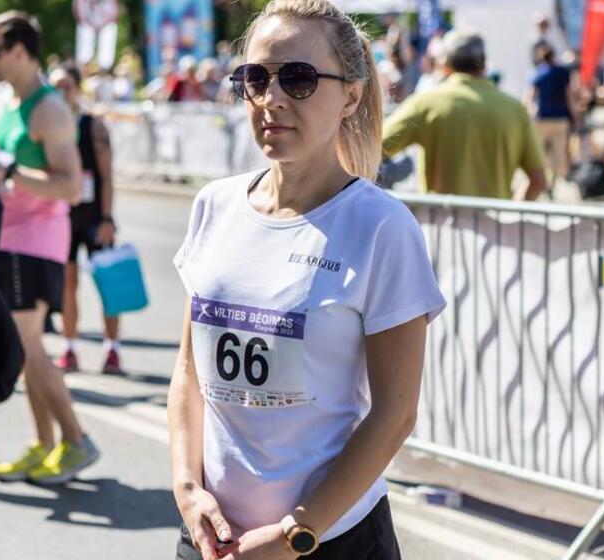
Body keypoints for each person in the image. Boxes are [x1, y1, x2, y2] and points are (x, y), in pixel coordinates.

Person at [168, 1, 446, 559]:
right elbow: (189, 372)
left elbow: (395, 414)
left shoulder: (381, 226)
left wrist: (297, 533)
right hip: (213, 538)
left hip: (329, 539)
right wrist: (187, 488)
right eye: (255, 78)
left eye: (297, 79)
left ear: (351, 96)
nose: (271, 98)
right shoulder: (215, 205)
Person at [0, 10, 100, 485]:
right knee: (24, 348)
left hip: (36, 241)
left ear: (20, 52)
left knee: (26, 345)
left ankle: (77, 440)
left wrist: (4, 170)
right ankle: (43, 445)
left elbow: (69, 187)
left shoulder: (49, 109)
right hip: (10, 238)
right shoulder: (10, 103)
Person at [383, 31, 547, 200]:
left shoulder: (426, 104)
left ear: (445, 65)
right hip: (496, 216)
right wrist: (512, 209)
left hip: (441, 216)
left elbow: (374, 146)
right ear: (484, 65)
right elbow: (538, 181)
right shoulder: (515, 109)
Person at [48, 62, 123, 375]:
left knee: (107, 281)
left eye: (66, 86)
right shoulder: (49, 126)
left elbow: (106, 176)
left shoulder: (92, 125)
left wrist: (107, 218)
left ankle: (112, 349)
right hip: (63, 215)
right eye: (55, 87)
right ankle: (69, 348)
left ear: (77, 88)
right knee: (68, 282)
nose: (61, 93)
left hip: (93, 215)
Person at [526, 42, 577, 192]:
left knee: (541, 152)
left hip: (543, 119)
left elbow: (530, 97)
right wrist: (575, 116)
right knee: (558, 153)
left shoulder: (538, 73)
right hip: (561, 119)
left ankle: (546, 181)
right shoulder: (563, 72)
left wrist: (530, 113)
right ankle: (552, 182)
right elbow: (569, 96)